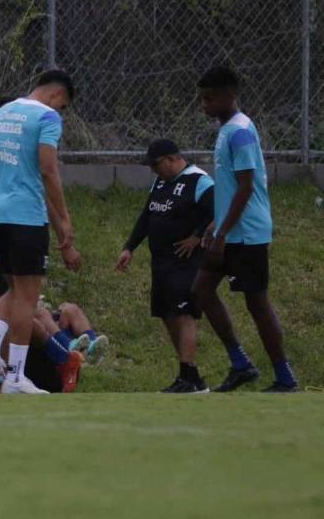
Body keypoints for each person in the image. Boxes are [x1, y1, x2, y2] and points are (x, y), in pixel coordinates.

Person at [0, 70, 82, 394]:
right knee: (27, 295)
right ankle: (16, 376)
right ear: (57, 94)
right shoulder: (46, 116)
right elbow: (48, 168)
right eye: (63, 106)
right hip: (26, 214)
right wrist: (64, 219)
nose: (61, 112)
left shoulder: (0, 115)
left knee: (12, 288)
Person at [193, 66, 297, 392]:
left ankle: (285, 377)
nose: (204, 105)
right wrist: (215, 225)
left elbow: (246, 187)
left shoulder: (240, 132)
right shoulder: (226, 130)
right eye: (202, 99)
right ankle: (240, 364)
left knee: (257, 302)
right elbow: (228, 188)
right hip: (228, 230)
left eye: (210, 99)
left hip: (246, 234)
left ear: (229, 95)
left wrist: (222, 233)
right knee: (201, 291)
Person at [116, 139, 214, 393]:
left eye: (156, 164)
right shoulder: (160, 182)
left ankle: (188, 375)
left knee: (185, 314)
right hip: (160, 262)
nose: (153, 170)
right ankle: (190, 376)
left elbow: (217, 210)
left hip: (185, 261)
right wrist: (130, 246)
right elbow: (147, 215)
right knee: (167, 314)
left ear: (171, 159)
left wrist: (197, 235)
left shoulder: (198, 180)